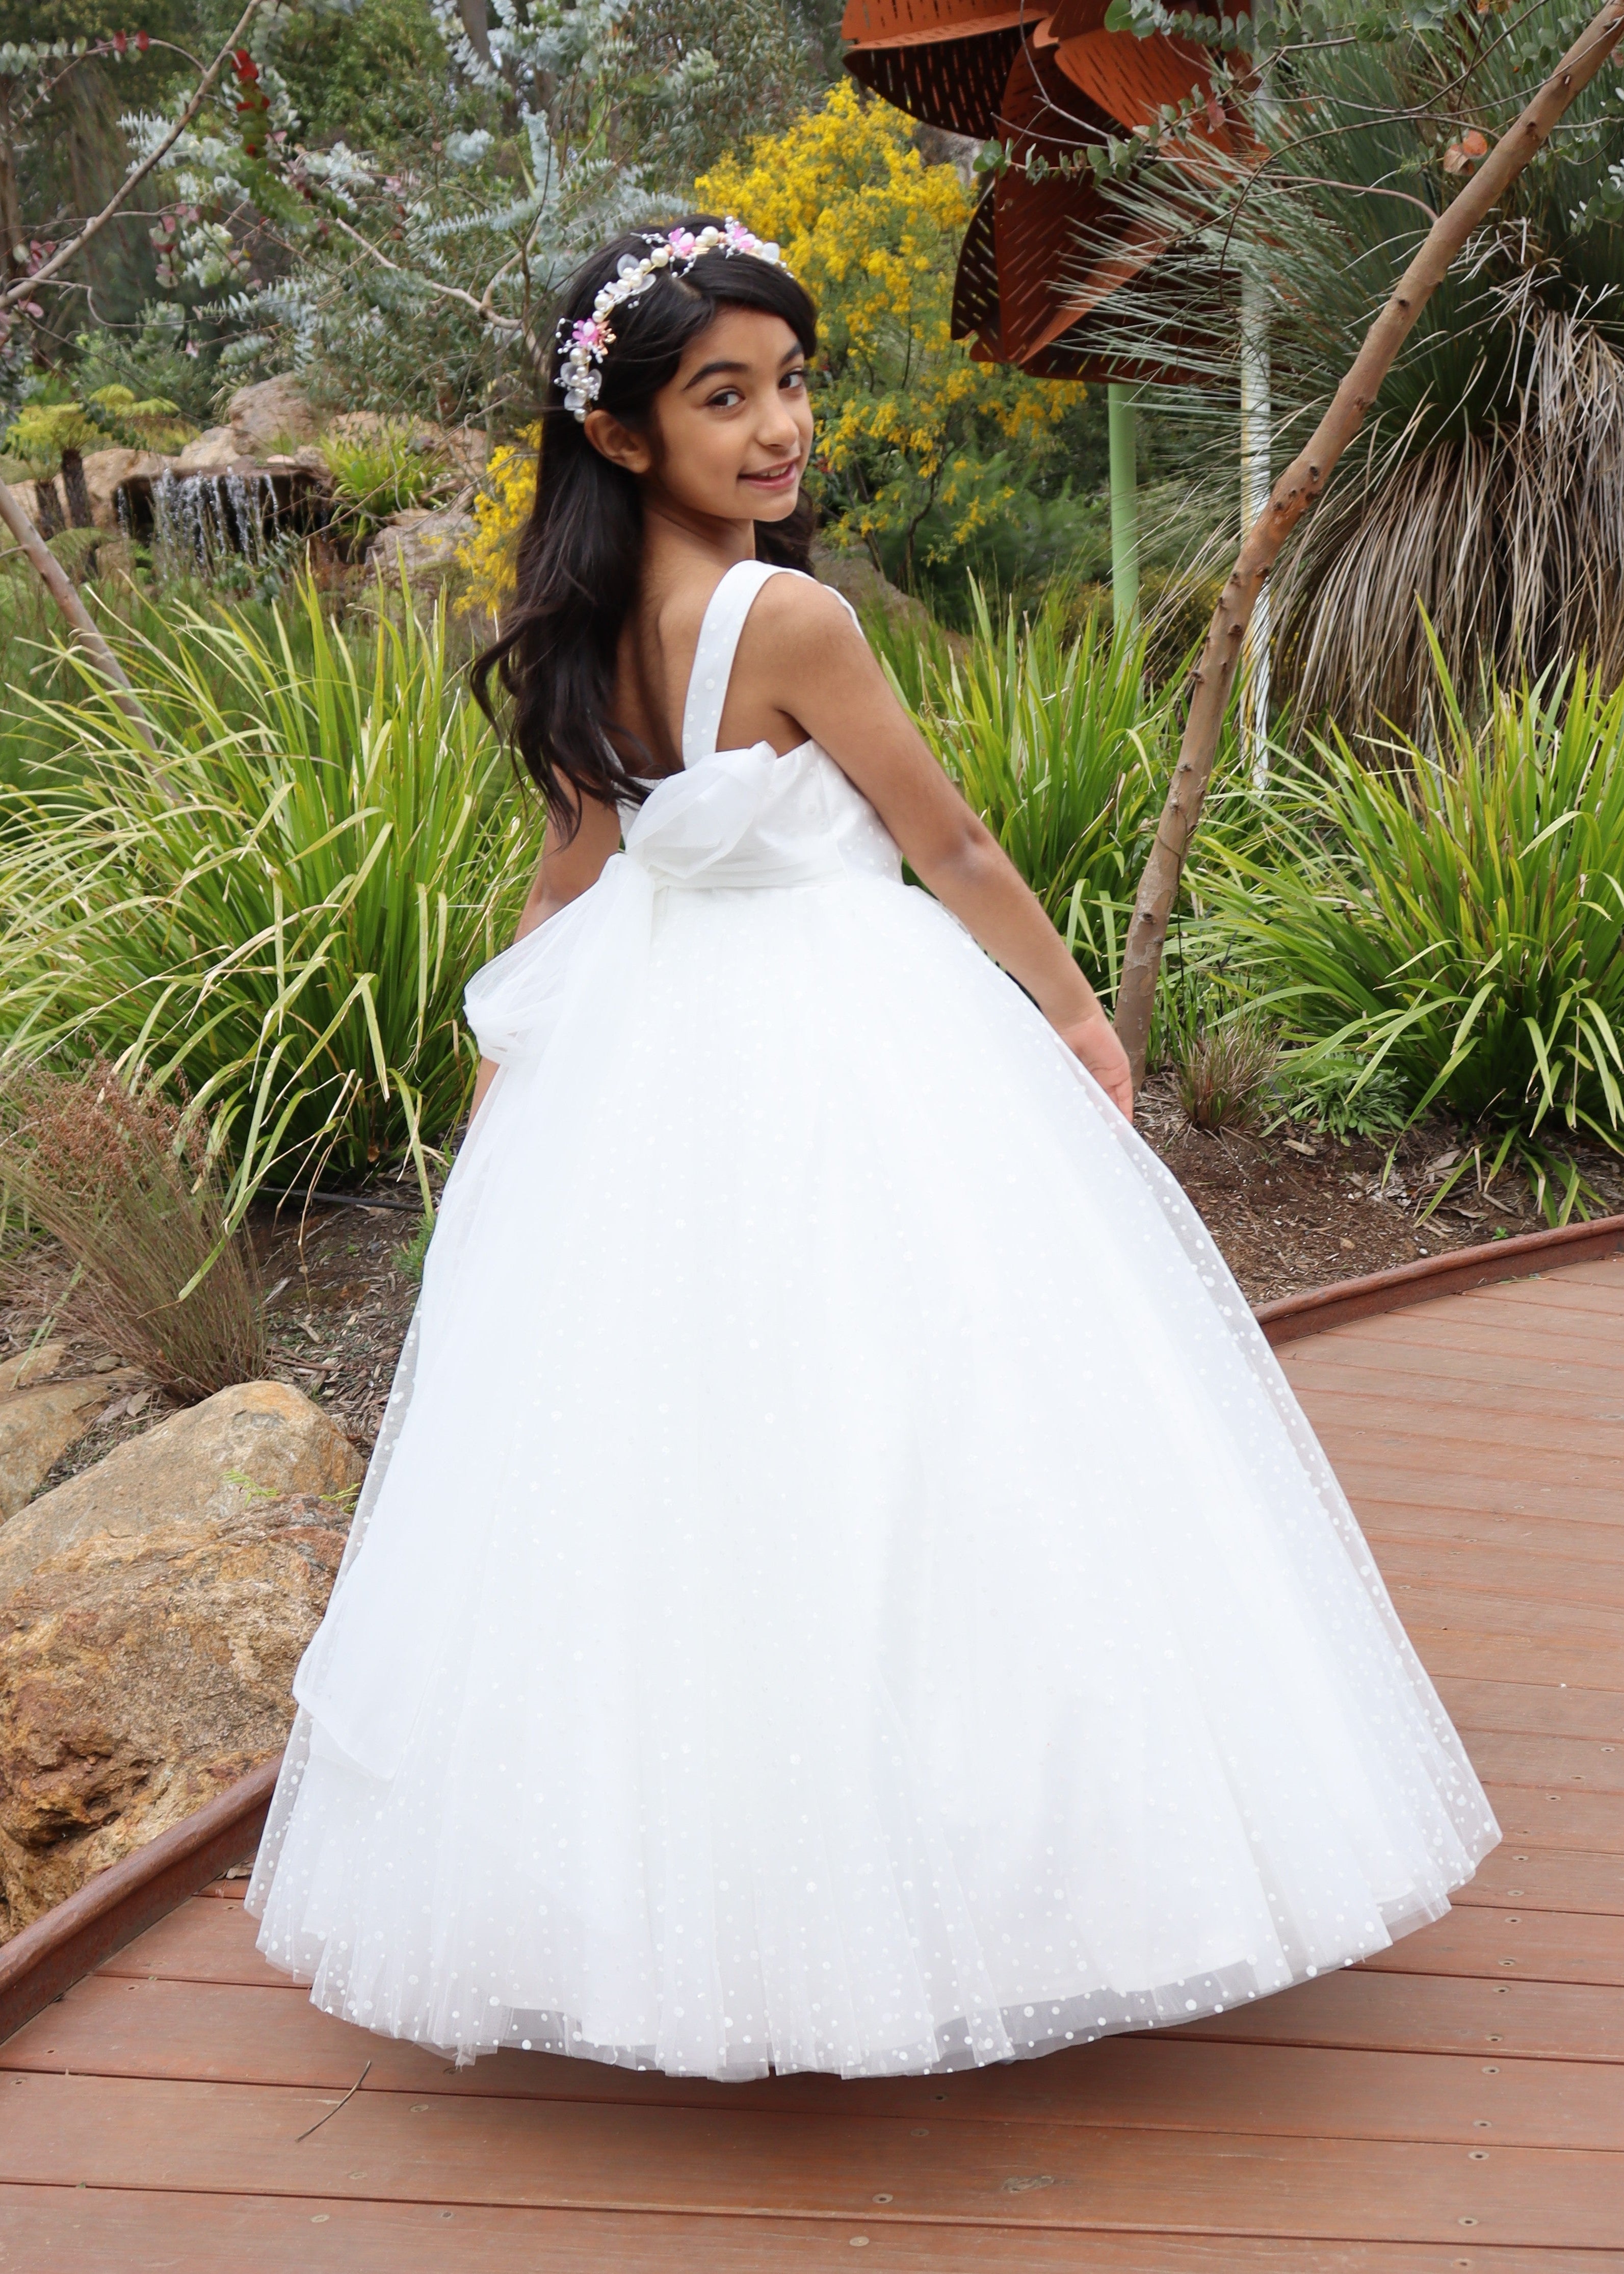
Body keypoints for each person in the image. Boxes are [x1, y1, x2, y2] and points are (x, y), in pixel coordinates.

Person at [247, 216, 1497, 2079]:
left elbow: (567, 880)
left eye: (791, 381)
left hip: (650, 1055)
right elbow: (957, 846)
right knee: (919, 1419)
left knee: (670, 1463)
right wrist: (1081, 1018)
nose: (778, 427)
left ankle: (681, 1896)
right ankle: (981, 1878)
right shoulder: (793, 618)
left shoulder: (595, 624)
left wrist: (510, 1096)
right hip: (845, 1038)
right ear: (624, 432)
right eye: (723, 395)